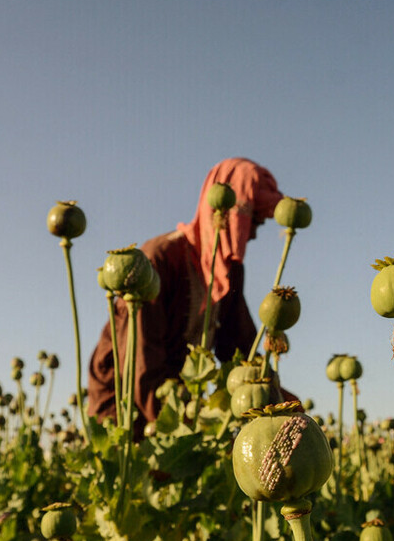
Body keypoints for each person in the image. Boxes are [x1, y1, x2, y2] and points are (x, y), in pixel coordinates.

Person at [87, 158, 283, 437]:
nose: (252, 235)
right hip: (124, 406)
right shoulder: (160, 259)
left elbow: (241, 351)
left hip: (177, 408)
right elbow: (139, 362)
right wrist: (190, 431)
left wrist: (282, 408)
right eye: (253, 222)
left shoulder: (229, 273)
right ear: (231, 212)